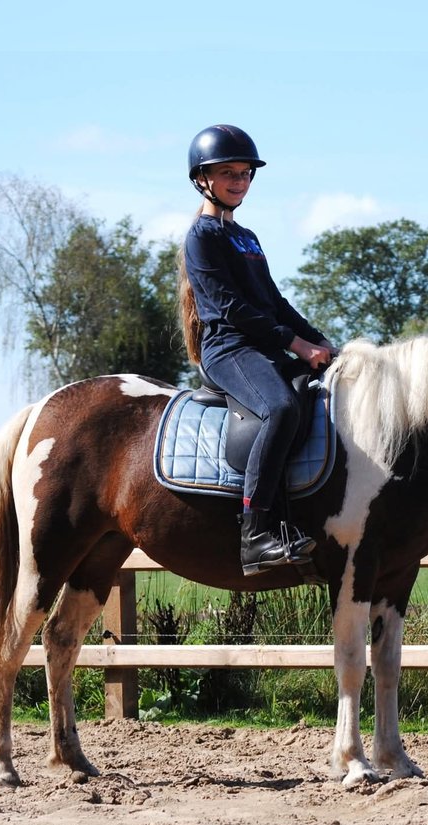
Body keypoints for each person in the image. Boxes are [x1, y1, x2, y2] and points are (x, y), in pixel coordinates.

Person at [177, 124, 337, 576]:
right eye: (227, 172)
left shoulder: (247, 236)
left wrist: (320, 340)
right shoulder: (202, 236)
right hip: (229, 347)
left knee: (316, 393)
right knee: (281, 408)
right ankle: (255, 535)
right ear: (202, 178)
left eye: (245, 173)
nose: (238, 181)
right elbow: (231, 307)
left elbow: (275, 302)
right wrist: (297, 345)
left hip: (262, 344)